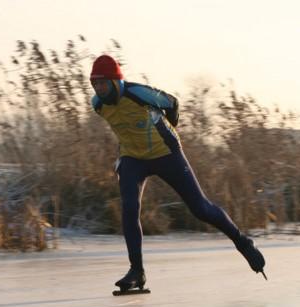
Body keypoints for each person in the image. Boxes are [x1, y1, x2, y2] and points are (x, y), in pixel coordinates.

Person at [89, 55, 266, 291]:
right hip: (133, 158)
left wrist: (167, 129)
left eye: (102, 83)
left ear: (115, 81)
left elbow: (172, 103)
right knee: (129, 209)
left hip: (166, 153)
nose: (99, 88)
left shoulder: (138, 93)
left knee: (200, 209)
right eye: (95, 84)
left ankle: (243, 243)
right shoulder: (98, 105)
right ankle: (136, 271)